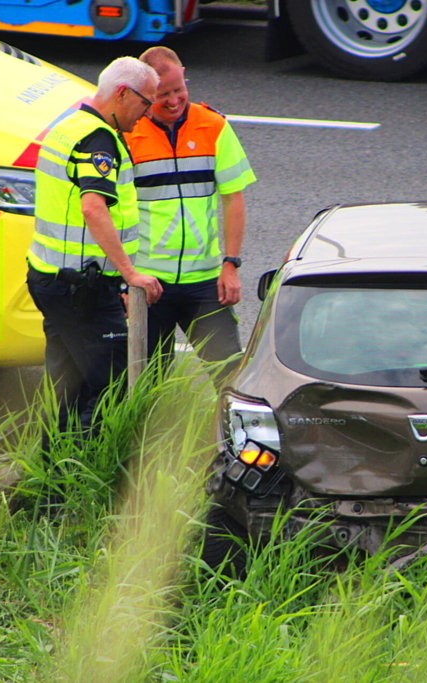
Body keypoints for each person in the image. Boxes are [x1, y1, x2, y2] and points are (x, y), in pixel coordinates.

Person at [26, 56, 163, 467]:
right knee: (110, 382)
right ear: (122, 94)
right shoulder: (98, 140)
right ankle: (86, 475)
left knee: (67, 386)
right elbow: (93, 209)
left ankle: (50, 484)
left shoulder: (69, 125)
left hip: (53, 278)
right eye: (145, 103)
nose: (147, 114)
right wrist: (130, 275)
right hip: (79, 288)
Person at [123, 46, 256, 383]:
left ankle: (231, 437)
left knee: (230, 379)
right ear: (144, 94)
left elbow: (233, 198)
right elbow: (113, 216)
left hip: (205, 283)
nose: (172, 101)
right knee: (145, 385)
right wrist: (122, 281)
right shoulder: (127, 136)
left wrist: (231, 264)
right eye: (162, 94)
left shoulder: (213, 126)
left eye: (179, 90)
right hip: (149, 285)